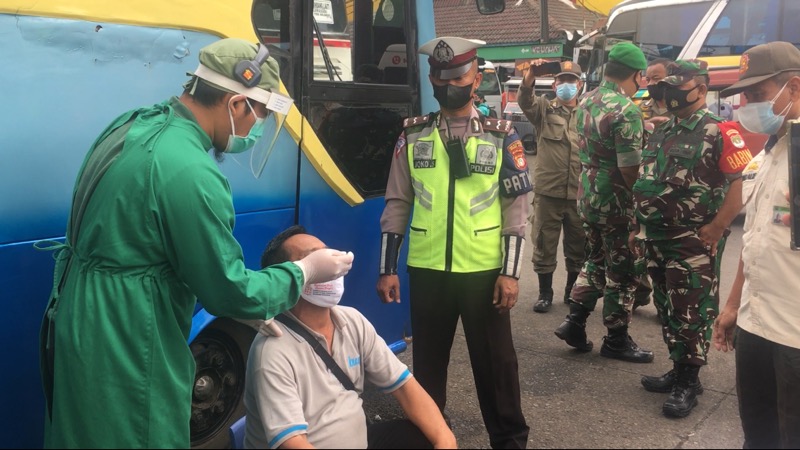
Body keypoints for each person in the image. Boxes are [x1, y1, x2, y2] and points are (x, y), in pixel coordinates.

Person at [37, 39, 355, 448]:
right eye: (259, 116)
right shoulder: (189, 170)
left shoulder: (136, 123)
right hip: (128, 332)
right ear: (236, 104)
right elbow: (229, 290)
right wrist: (304, 271)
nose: (255, 129)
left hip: (81, 313)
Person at [376, 36, 531, 448]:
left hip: (483, 274)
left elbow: (517, 210)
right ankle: (428, 438)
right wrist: (387, 268)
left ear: (475, 78)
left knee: (497, 366)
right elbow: (397, 203)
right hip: (427, 272)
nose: (450, 85)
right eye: (442, 77)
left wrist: (510, 274)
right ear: (431, 79)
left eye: (459, 76)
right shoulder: (412, 136)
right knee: (427, 368)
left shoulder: (502, 136)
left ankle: (510, 441)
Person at [244, 226, 456, 449]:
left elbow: (404, 386)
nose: (328, 265)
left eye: (327, 254)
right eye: (312, 260)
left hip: (359, 440)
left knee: (432, 432)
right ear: (286, 279)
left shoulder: (352, 320)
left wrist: (445, 440)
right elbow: (293, 443)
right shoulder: (271, 350)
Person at [632, 60, 751, 418]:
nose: (669, 95)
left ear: (700, 89)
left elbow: (737, 186)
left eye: (677, 88)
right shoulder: (663, 130)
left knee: (692, 312)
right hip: (657, 237)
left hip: (692, 240)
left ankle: (689, 381)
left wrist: (716, 228)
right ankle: (678, 369)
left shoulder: (721, 131)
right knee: (668, 308)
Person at [712, 41, 800, 448]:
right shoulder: (770, 152)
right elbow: (756, 241)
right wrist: (732, 305)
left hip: (794, 335)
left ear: (794, 88)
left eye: (757, 95)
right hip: (756, 323)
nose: (745, 104)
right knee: (758, 432)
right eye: (743, 95)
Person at [553, 42, 654, 363]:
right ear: (637, 75)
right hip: (616, 205)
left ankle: (575, 321)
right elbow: (629, 170)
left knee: (595, 260)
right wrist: (641, 209)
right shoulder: (626, 110)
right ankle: (616, 340)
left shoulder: (587, 101)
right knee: (623, 271)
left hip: (589, 198)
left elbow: (600, 145)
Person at [518, 59, 586, 313]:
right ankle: (545, 293)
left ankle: (571, 291)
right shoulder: (545, 110)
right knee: (544, 244)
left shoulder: (588, 113)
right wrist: (530, 76)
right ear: (555, 84)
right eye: (562, 81)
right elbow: (526, 101)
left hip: (578, 193)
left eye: (571, 81)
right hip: (548, 192)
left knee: (578, 246)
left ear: (579, 85)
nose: (566, 85)